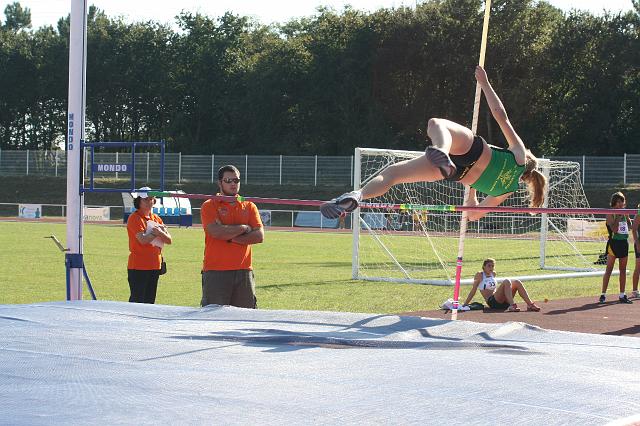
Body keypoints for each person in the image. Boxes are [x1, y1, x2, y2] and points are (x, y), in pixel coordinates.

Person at [320, 66, 547, 222]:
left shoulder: (518, 156)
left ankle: (360, 193)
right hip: (457, 173)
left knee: (436, 124)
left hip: (473, 149)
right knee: (394, 176)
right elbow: (473, 214)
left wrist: (485, 83)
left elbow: (501, 116)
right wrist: (472, 192)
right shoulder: (506, 190)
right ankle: (357, 195)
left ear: (528, 158)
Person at [200, 165, 264, 308]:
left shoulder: (249, 205)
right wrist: (243, 228)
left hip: (244, 271)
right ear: (219, 183)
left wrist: (231, 237)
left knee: (246, 319)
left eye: (236, 180)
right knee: (212, 318)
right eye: (228, 180)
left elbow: (259, 236)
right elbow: (216, 232)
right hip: (216, 271)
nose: (233, 184)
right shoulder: (209, 205)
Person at [126, 186, 172, 304]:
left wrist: (159, 232)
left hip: (155, 265)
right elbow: (143, 240)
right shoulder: (135, 218)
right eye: (145, 199)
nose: (149, 202)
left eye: (151, 199)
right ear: (139, 201)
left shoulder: (156, 218)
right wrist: (156, 232)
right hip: (138, 266)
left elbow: (169, 240)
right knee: (137, 301)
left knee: (150, 302)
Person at [462, 258, 541, 312]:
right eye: (489, 266)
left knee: (517, 282)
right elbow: (473, 290)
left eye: (493, 266)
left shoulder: (493, 274)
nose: (491, 268)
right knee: (506, 281)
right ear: (483, 267)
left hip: (503, 302)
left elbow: (498, 290)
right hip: (492, 302)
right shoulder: (479, 275)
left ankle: (530, 304)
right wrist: (465, 304)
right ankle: (512, 305)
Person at [600, 192, 633, 304]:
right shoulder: (610, 213)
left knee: (623, 270)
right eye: (618, 201)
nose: (620, 204)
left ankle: (622, 295)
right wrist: (619, 217)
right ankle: (603, 294)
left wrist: (628, 220)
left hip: (624, 243)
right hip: (613, 244)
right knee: (609, 270)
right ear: (614, 202)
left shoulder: (625, 213)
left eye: (622, 201)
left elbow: (630, 227)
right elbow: (613, 229)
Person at [633, 205, 640, 299]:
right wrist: (637, 243)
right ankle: (635, 290)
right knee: (638, 267)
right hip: (639, 243)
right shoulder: (639, 213)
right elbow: (634, 229)